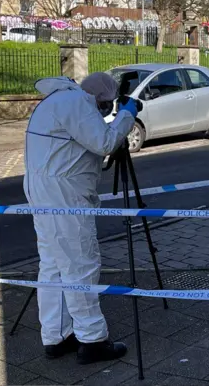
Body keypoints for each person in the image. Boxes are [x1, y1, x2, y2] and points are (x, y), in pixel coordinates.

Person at [24, 72, 138, 364]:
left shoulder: (60, 100)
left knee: (53, 265)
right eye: (106, 106)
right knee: (80, 266)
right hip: (65, 196)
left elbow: (85, 138)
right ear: (99, 99)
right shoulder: (76, 102)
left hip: (46, 191)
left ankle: (57, 335)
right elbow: (104, 142)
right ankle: (92, 340)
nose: (104, 112)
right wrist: (127, 114)